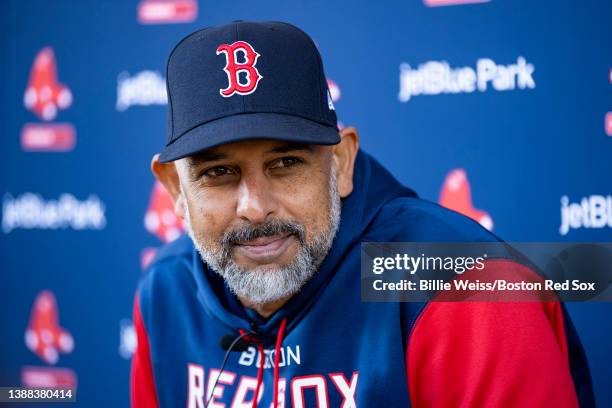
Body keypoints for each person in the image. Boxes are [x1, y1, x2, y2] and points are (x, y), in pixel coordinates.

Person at [130, 21, 593, 407]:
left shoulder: (463, 286)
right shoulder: (166, 291)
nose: (254, 207)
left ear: (341, 163)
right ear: (175, 187)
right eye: (219, 172)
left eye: (286, 163)